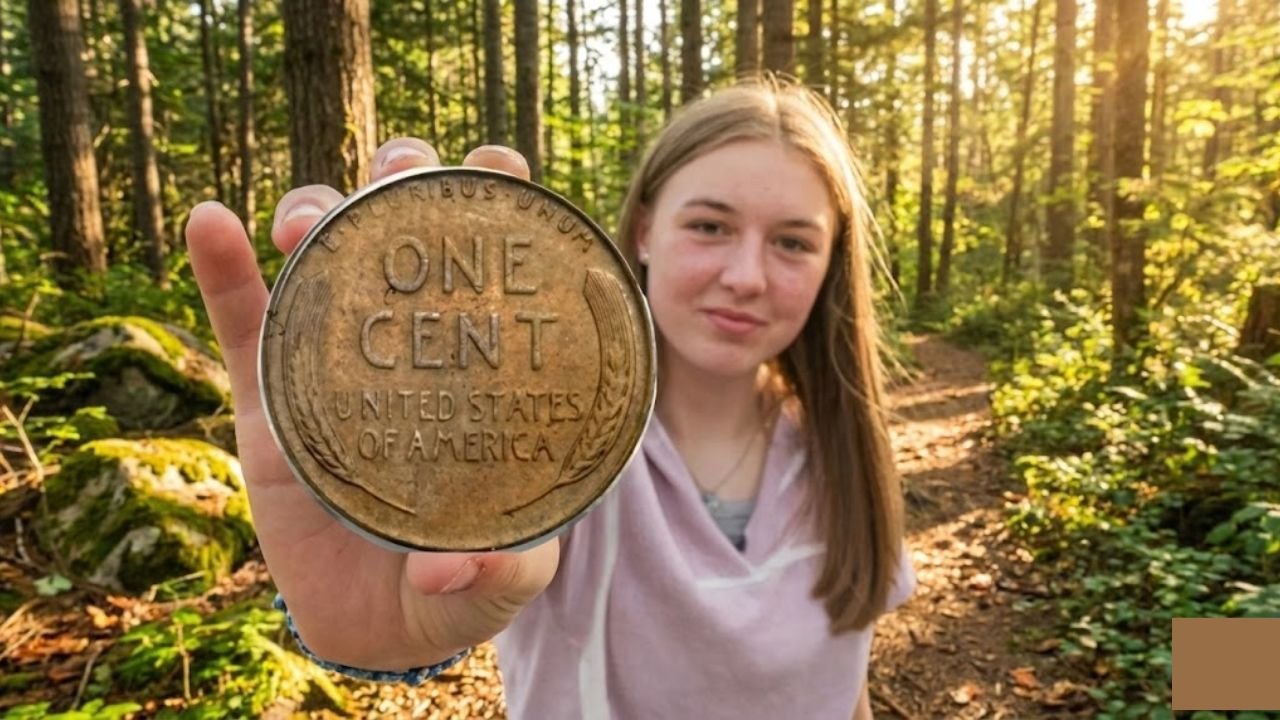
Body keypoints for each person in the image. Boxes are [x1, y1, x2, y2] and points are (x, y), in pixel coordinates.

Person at [185, 77, 914, 720]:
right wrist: (383, 623)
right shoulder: (538, 441)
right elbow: (462, 585)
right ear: (644, 230)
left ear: (830, 264)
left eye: (793, 242)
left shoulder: (843, 456)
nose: (748, 276)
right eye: (710, 226)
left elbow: (841, 687)